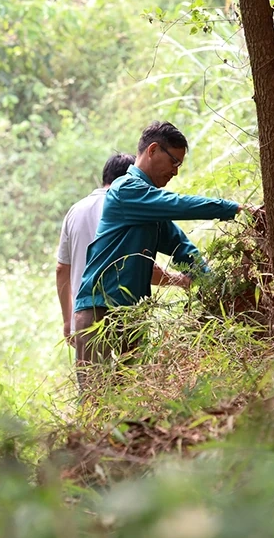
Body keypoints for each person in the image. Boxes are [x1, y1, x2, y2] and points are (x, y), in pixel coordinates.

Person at [72, 121, 261, 376]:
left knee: (132, 393)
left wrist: (219, 291)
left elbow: (182, 249)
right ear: (152, 150)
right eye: (174, 162)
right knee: (96, 394)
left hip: (132, 315)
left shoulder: (150, 206)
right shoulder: (126, 189)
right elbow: (179, 204)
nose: (175, 172)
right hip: (99, 309)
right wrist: (235, 208)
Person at [56, 153, 192, 346]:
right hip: (126, 313)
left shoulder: (75, 211)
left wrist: (67, 320)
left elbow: (62, 269)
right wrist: (180, 280)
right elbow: (144, 268)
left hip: (85, 314)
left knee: (91, 367)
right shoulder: (133, 207)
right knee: (128, 366)